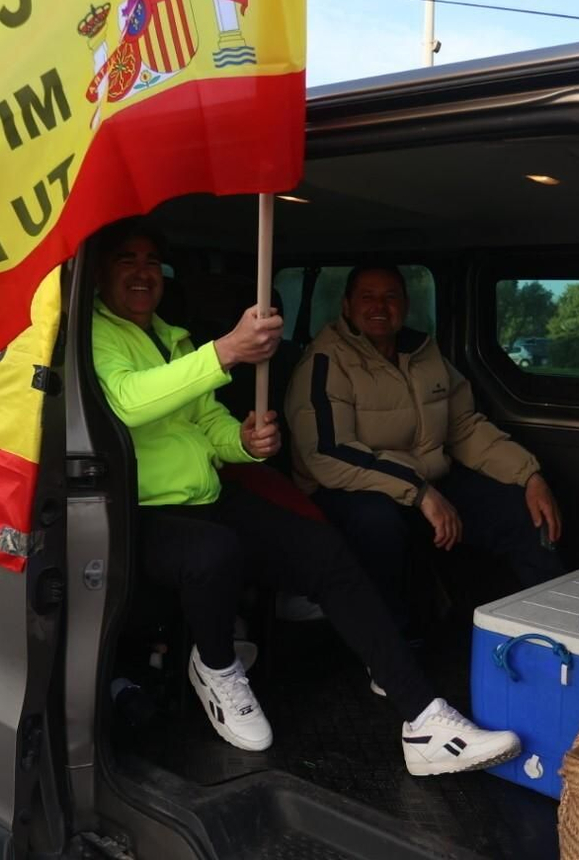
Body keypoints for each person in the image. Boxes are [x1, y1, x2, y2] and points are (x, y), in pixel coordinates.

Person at [91, 217, 519, 775]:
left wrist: (243, 441)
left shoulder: (171, 339)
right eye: (128, 260)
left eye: (152, 262)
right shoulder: (96, 336)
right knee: (212, 553)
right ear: (102, 274)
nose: (143, 272)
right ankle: (215, 666)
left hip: (203, 493)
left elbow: (205, 420)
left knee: (324, 551)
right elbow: (125, 402)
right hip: (135, 510)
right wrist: (224, 352)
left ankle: (423, 718)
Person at [283, 263, 565, 636]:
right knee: (378, 523)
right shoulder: (324, 361)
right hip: (349, 487)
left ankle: (557, 634)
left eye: (391, 296)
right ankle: (391, 647)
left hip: (424, 480)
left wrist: (528, 474)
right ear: (347, 306)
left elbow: (462, 425)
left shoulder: (423, 353)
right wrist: (420, 492)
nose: (380, 306)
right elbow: (329, 454)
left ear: (405, 304)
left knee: (521, 510)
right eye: (367, 297)